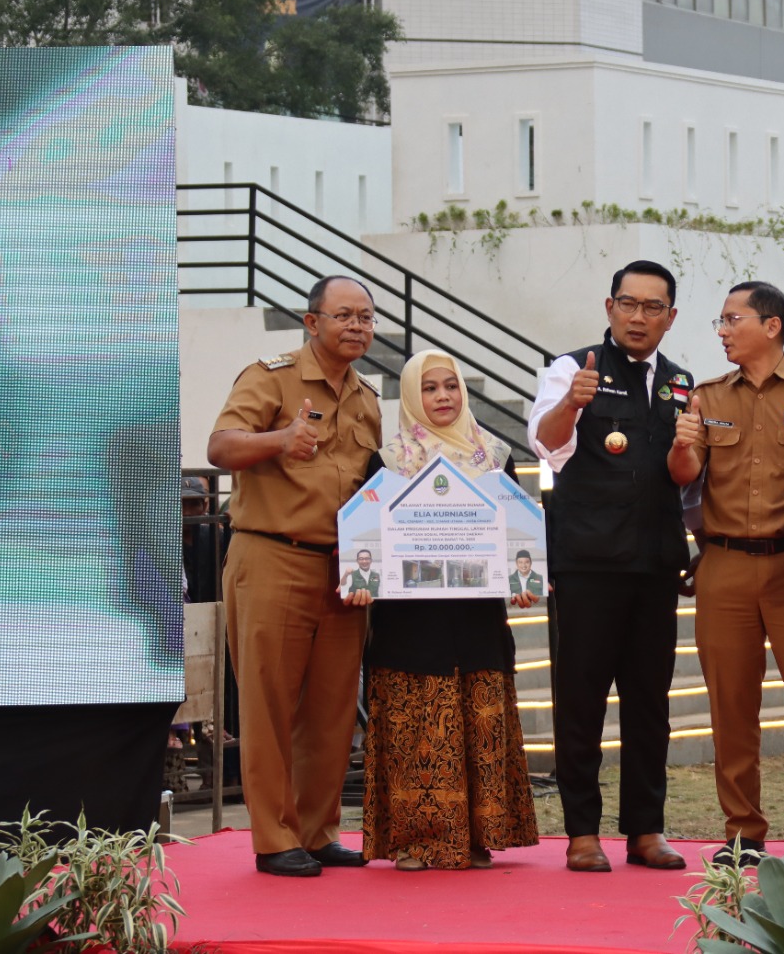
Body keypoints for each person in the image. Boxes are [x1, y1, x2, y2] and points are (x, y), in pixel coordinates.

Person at [207, 275, 381, 878]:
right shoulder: (270, 376)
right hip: (272, 554)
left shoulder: (366, 399)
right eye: (344, 316)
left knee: (333, 709)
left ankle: (317, 829)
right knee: (270, 704)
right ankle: (274, 837)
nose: (357, 326)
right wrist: (281, 439)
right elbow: (221, 446)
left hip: (343, 568)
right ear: (312, 323)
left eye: (366, 317)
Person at [668, 281, 784, 870]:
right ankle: (743, 829)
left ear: (770, 326)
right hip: (722, 564)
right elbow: (683, 475)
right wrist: (683, 445)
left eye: (731, 319)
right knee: (730, 707)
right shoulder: (706, 396)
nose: (721, 330)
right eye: (719, 321)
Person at [529, 259, 692, 873]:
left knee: (651, 703)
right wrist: (571, 405)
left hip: (655, 565)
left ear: (670, 317)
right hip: (589, 563)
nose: (639, 316)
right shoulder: (573, 369)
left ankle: (646, 830)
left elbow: (685, 472)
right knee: (583, 701)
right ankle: (582, 833)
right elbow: (544, 444)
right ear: (609, 307)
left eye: (653, 307)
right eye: (629, 303)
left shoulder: (681, 382)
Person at [361, 350, 540, 871]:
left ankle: (479, 836)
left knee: (476, 723)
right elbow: (364, 532)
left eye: (451, 387)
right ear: (413, 398)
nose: (442, 397)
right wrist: (360, 579)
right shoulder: (390, 459)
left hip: (478, 619)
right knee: (419, 730)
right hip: (410, 624)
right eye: (430, 389)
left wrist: (521, 579)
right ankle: (419, 841)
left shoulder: (494, 456)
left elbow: (518, 532)